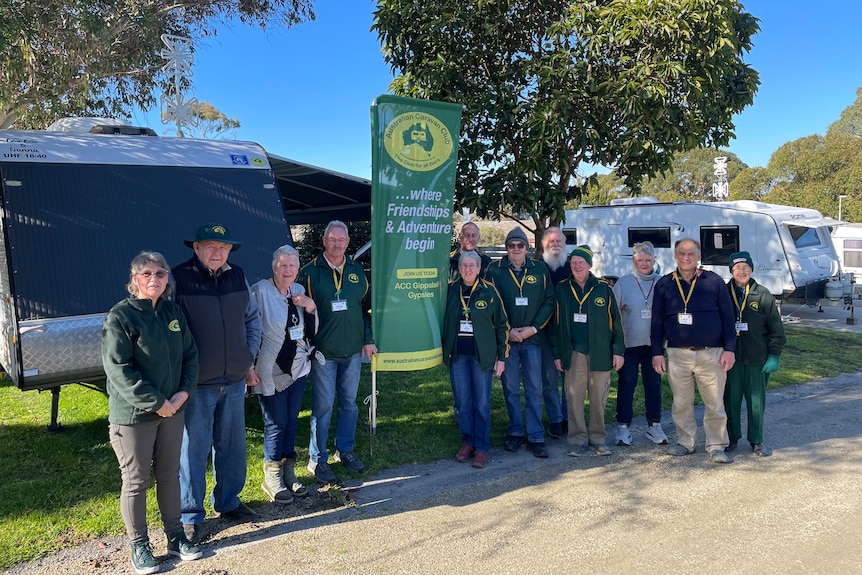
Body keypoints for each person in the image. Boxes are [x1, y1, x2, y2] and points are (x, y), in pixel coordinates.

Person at [102, 251, 202, 574]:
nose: (154, 279)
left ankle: (175, 536)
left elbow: (191, 355)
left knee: (169, 474)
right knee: (136, 480)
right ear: (134, 280)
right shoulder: (121, 316)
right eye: (147, 274)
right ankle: (139, 544)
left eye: (160, 273)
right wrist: (158, 402)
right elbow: (119, 369)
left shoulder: (173, 311)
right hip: (134, 416)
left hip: (174, 409)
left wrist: (184, 392)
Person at [173, 224, 262, 543]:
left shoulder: (238, 276)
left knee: (232, 445)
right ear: (195, 247)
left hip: (235, 379)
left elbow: (252, 319)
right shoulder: (177, 278)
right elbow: (169, 329)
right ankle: (190, 515)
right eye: (210, 245)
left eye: (223, 247)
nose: (217, 252)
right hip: (197, 383)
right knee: (193, 448)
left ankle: (228, 503)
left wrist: (247, 354)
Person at [297, 220, 376, 484]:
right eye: (332, 239)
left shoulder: (357, 271)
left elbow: (365, 310)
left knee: (349, 405)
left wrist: (368, 339)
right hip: (324, 353)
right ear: (323, 240)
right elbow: (298, 313)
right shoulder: (309, 272)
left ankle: (345, 449)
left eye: (341, 240)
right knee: (323, 407)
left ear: (348, 242)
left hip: (353, 352)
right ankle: (317, 460)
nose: (337, 244)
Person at [651, 238, 736, 464]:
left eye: (691, 253)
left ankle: (717, 445)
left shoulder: (714, 281)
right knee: (681, 402)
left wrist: (730, 349)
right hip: (678, 354)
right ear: (675, 256)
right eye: (681, 253)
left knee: (715, 402)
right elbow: (657, 322)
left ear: (699, 256)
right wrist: (656, 352)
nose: (686, 257)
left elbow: (729, 318)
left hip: (712, 353)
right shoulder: (664, 284)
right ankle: (685, 442)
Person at [251, 245, 319, 503]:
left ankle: (289, 473)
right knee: (275, 422)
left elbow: (311, 331)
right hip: (270, 370)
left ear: (298, 268)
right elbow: (250, 328)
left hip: (298, 368)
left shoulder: (299, 291)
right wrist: (249, 365)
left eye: (292, 266)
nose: (288, 270)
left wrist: (310, 306)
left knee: (291, 421)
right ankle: (271, 478)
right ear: (274, 267)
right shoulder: (259, 291)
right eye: (283, 266)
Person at [484, 227, 554, 458]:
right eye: (511, 245)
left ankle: (536, 436)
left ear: (527, 248)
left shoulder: (540, 269)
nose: (516, 249)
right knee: (510, 388)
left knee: (535, 388)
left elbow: (549, 301)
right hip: (507, 340)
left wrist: (532, 328)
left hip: (533, 339)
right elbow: (489, 303)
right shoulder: (494, 270)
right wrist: (508, 331)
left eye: (520, 245)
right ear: (506, 248)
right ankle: (515, 431)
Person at [552, 245, 625, 457]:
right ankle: (576, 440)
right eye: (573, 263)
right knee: (573, 396)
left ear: (589, 265)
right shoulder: (562, 289)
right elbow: (555, 325)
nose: (576, 266)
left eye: (580, 262)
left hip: (601, 352)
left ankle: (598, 439)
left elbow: (617, 324)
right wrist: (557, 353)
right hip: (573, 351)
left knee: (598, 397)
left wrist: (618, 351)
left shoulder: (603, 289)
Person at [442, 251, 509, 468]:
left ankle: (481, 447)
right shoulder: (451, 291)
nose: (467, 269)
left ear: (479, 268)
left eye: (472, 265)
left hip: (483, 356)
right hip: (458, 355)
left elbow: (502, 325)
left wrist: (502, 357)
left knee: (481, 404)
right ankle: (468, 442)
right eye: (464, 266)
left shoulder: (489, 292)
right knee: (463, 403)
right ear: (459, 268)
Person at [724, 251, 786, 457]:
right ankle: (732, 438)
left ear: (751, 269)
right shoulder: (723, 293)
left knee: (756, 401)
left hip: (757, 359)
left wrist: (774, 355)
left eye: (746, 268)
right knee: (730, 401)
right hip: (730, 360)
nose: (742, 271)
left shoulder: (763, 294)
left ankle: (756, 440)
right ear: (731, 271)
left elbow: (776, 328)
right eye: (737, 268)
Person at [612, 241, 669, 446]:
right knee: (627, 383)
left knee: (653, 384)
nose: (644, 263)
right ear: (633, 261)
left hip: (654, 346)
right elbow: (613, 314)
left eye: (648, 259)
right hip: (628, 345)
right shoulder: (623, 283)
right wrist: (615, 345)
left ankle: (654, 425)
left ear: (654, 260)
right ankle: (622, 426)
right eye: (640, 260)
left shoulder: (663, 283)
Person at [538, 226, 570, 439]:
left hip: (569, 333)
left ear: (565, 243)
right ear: (543, 245)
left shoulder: (574, 266)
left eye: (559, 240)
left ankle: (569, 417)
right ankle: (555, 419)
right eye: (551, 241)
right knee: (549, 379)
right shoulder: (537, 268)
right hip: (544, 332)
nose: (555, 244)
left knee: (570, 379)